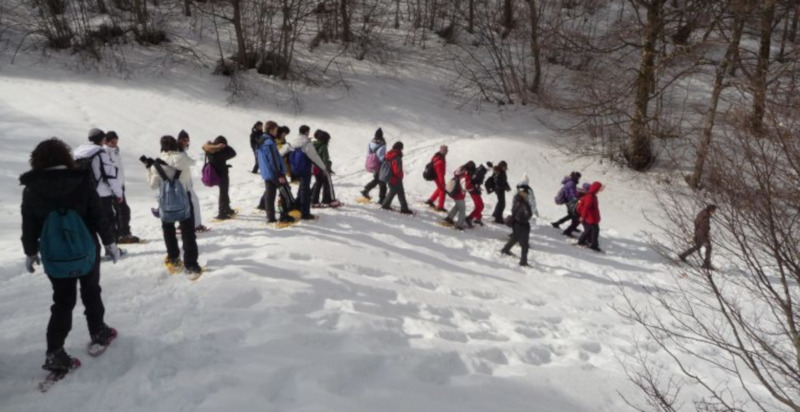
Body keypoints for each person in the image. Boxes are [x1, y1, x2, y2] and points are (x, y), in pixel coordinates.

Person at [21, 138, 119, 373]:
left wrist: (30, 252)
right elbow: (98, 216)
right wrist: (110, 243)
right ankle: (99, 332)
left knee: (62, 301)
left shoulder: (32, 189)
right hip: (87, 251)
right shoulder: (82, 181)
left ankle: (55, 353)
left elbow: (29, 225)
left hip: (55, 256)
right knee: (91, 291)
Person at [146, 136, 202, 274]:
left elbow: (153, 186)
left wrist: (148, 170)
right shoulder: (183, 159)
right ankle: (191, 264)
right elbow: (193, 165)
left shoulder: (155, 165)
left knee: (169, 231)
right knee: (188, 233)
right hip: (184, 197)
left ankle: (174, 257)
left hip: (166, 201)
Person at [74, 128, 126, 257]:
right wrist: (119, 193)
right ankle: (111, 249)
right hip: (102, 194)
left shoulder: (78, 151)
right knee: (107, 222)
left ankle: (91, 252)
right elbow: (110, 175)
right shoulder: (100, 153)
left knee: (88, 224)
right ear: (101, 139)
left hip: (83, 195)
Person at [104, 131, 140, 244]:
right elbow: (110, 171)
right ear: (106, 141)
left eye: (116, 142)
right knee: (123, 210)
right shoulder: (106, 152)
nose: (115, 144)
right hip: (113, 187)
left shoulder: (115, 151)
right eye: (112, 142)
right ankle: (123, 235)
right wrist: (115, 187)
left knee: (122, 210)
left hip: (119, 185)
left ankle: (120, 234)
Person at [257, 121, 294, 223]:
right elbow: (273, 159)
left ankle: (270, 217)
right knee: (285, 192)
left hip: (267, 173)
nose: (277, 132)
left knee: (270, 194)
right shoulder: (269, 142)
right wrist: (280, 174)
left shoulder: (261, 140)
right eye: (276, 130)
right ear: (271, 130)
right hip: (274, 173)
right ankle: (284, 215)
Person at [290, 125, 329, 220]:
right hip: (305, 169)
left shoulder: (293, 141)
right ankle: (305, 213)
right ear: (307, 132)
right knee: (305, 190)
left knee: (301, 188)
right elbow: (314, 156)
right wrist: (323, 167)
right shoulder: (306, 143)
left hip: (295, 168)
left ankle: (297, 205)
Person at [177, 130, 209, 233]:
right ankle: (195, 225)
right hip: (183, 183)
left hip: (185, 183)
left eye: (187, 140)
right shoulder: (178, 152)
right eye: (184, 140)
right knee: (193, 202)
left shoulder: (181, 150)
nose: (186, 142)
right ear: (180, 140)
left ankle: (184, 224)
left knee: (186, 204)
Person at [501, 177, 534, 267]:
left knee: (515, 238)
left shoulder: (516, 199)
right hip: (523, 225)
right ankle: (523, 262)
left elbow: (513, 210)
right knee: (525, 245)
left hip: (515, 223)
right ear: (524, 194)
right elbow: (528, 215)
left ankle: (505, 249)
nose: (527, 196)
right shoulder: (525, 204)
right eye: (526, 194)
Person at [202, 136, 237, 220]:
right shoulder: (220, 153)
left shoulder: (209, 151)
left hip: (215, 174)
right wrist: (224, 146)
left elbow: (204, 146)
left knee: (224, 192)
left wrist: (214, 146)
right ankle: (222, 212)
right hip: (222, 175)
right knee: (223, 193)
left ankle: (227, 208)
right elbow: (233, 153)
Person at [678, 204, 717, 269]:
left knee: (698, 246)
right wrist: (706, 236)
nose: (714, 212)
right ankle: (706, 264)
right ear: (711, 210)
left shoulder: (702, 213)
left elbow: (696, 223)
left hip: (699, 233)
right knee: (708, 247)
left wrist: (696, 233)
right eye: (714, 211)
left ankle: (683, 255)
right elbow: (704, 228)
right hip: (702, 234)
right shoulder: (705, 217)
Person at [380, 142, 413, 214]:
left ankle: (402, 207)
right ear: (400, 148)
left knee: (397, 191)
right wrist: (400, 176)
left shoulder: (389, 154)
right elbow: (397, 170)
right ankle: (403, 208)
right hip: (395, 178)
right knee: (396, 191)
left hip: (389, 176)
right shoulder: (397, 157)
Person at [311, 130, 341, 207]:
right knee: (328, 184)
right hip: (322, 168)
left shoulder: (313, 144)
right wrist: (328, 169)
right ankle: (331, 200)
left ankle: (314, 201)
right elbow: (325, 159)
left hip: (315, 168)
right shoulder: (323, 146)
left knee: (318, 184)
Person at [443, 161, 475, 230]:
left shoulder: (461, 169)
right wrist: (473, 188)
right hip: (459, 193)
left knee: (457, 206)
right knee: (462, 209)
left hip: (454, 190)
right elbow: (467, 186)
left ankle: (449, 218)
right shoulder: (467, 174)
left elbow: (455, 173)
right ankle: (459, 225)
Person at [576, 181, 604, 252]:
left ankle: (581, 241)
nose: (601, 190)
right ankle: (594, 245)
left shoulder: (592, 195)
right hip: (591, 217)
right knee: (595, 231)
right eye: (600, 188)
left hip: (592, 217)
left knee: (589, 230)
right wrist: (582, 216)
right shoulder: (590, 196)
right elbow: (586, 207)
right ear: (596, 188)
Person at [361, 128, 387, 203]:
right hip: (379, 165)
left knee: (377, 179)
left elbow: (368, 153)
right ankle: (382, 199)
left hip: (372, 164)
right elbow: (381, 157)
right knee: (382, 182)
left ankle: (366, 190)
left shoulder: (370, 142)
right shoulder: (382, 144)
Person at [551, 172, 582, 237]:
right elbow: (571, 193)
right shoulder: (571, 183)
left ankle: (558, 223)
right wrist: (576, 197)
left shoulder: (570, 182)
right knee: (574, 215)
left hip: (567, 201)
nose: (579, 179)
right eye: (578, 178)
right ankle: (569, 228)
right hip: (569, 201)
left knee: (572, 214)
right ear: (575, 177)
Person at [466, 162, 491, 227]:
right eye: (489, 168)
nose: (489, 170)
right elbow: (473, 180)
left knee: (478, 205)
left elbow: (475, 180)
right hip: (473, 190)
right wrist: (476, 186)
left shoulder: (481, 170)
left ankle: (478, 218)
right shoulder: (480, 171)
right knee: (480, 206)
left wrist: (478, 186)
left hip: (474, 189)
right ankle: (469, 218)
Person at [425, 145, 448, 212]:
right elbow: (440, 173)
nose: (447, 151)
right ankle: (440, 207)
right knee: (442, 190)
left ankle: (430, 200)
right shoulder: (440, 161)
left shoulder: (436, 156)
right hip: (437, 177)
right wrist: (442, 183)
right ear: (443, 151)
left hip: (435, 176)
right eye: (446, 150)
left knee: (439, 188)